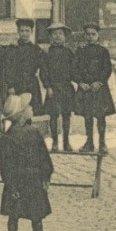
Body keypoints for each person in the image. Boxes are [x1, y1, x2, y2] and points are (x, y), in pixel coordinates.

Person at [0, 93, 54, 231]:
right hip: (17, 180)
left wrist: (45, 175)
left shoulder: (34, 132)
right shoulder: (7, 138)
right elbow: (6, 166)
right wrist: (12, 186)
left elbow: (43, 156)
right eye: (27, 107)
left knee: (37, 216)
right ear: (21, 114)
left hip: (34, 179)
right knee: (13, 217)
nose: (31, 109)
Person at [71, 22, 116, 153]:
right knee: (88, 116)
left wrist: (100, 82)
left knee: (101, 116)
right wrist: (80, 82)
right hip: (85, 89)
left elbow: (107, 68)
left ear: (98, 35)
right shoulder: (80, 51)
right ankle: (89, 142)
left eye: (93, 34)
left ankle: (102, 143)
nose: (90, 37)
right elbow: (74, 69)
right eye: (87, 34)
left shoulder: (103, 51)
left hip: (99, 88)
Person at [40, 23, 77, 152]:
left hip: (66, 87)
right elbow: (43, 72)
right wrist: (48, 87)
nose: (57, 36)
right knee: (54, 116)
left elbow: (75, 69)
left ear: (65, 37)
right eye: (54, 34)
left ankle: (66, 142)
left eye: (60, 33)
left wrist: (77, 81)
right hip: (53, 88)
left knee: (66, 116)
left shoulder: (69, 52)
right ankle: (55, 142)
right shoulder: (46, 53)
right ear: (50, 37)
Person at [3, 19, 45, 109]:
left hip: (32, 84)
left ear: (31, 32)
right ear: (18, 31)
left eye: (27, 31)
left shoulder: (36, 49)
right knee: (16, 110)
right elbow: (8, 68)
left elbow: (43, 66)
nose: (24, 33)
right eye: (22, 31)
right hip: (17, 84)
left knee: (32, 110)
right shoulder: (12, 48)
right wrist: (10, 86)